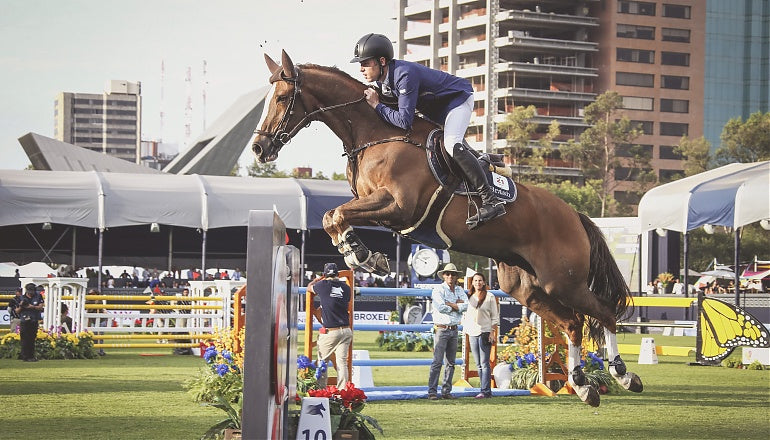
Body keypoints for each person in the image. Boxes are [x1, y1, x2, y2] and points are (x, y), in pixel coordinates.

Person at [351, 33, 506, 229]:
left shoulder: (403, 75)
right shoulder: (383, 80)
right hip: (437, 109)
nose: (361, 68)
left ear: (382, 61)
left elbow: (404, 121)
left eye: (365, 63)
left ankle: (491, 200)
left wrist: (377, 106)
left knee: (452, 146)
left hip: (457, 101)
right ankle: (482, 161)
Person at [307, 263, 353, 388]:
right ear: (338, 274)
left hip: (331, 331)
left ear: (324, 275)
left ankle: (321, 390)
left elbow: (309, 288)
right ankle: (343, 392)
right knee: (342, 363)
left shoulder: (322, 285)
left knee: (322, 362)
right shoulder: (346, 288)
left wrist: (316, 280)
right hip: (346, 330)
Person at [427, 263, 467, 400]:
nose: (450, 276)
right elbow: (440, 307)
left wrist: (450, 304)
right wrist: (457, 305)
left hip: (453, 329)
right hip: (442, 328)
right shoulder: (438, 289)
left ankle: (445, 391)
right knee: (438, 362)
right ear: (444, 276)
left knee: (451, 362)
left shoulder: (459, 290)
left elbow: (466, 306)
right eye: (448, 274)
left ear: (456, 276)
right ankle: (432, 391)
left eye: (453, 274)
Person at [463, 272, 499, 399]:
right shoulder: (469, 297)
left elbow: (494, 317)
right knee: (478, 363)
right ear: (472, 282)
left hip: (484, 331)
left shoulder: (489, 297)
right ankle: (483, 389)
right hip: (472, 332)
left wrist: (492, 332)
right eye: (475, 280)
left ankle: (485, 390)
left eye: (480, 280)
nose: (478, 283)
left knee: (484, 363)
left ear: (484, 282)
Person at [16, 283, 44, 362]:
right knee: (24, 339)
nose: (31, 293)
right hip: (24, 321)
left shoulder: (38, 296)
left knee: (32, 339)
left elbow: (41, 307)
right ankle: (24, 356)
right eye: (30, 291)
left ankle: (31, 356)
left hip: (34, 320)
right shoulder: (21, 298)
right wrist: (21, 306)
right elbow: (17, 311)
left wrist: (32, 307)